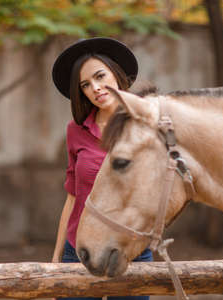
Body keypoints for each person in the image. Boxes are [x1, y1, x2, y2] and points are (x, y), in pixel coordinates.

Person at [51, 37, 153, 300]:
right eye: (86, 85)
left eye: (100, 76)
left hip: (131, 251)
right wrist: (56, 258)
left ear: (116, 74)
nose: (95, 88)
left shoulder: (146, 123)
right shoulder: (76, 131)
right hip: (80, 248)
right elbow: (73, 197)